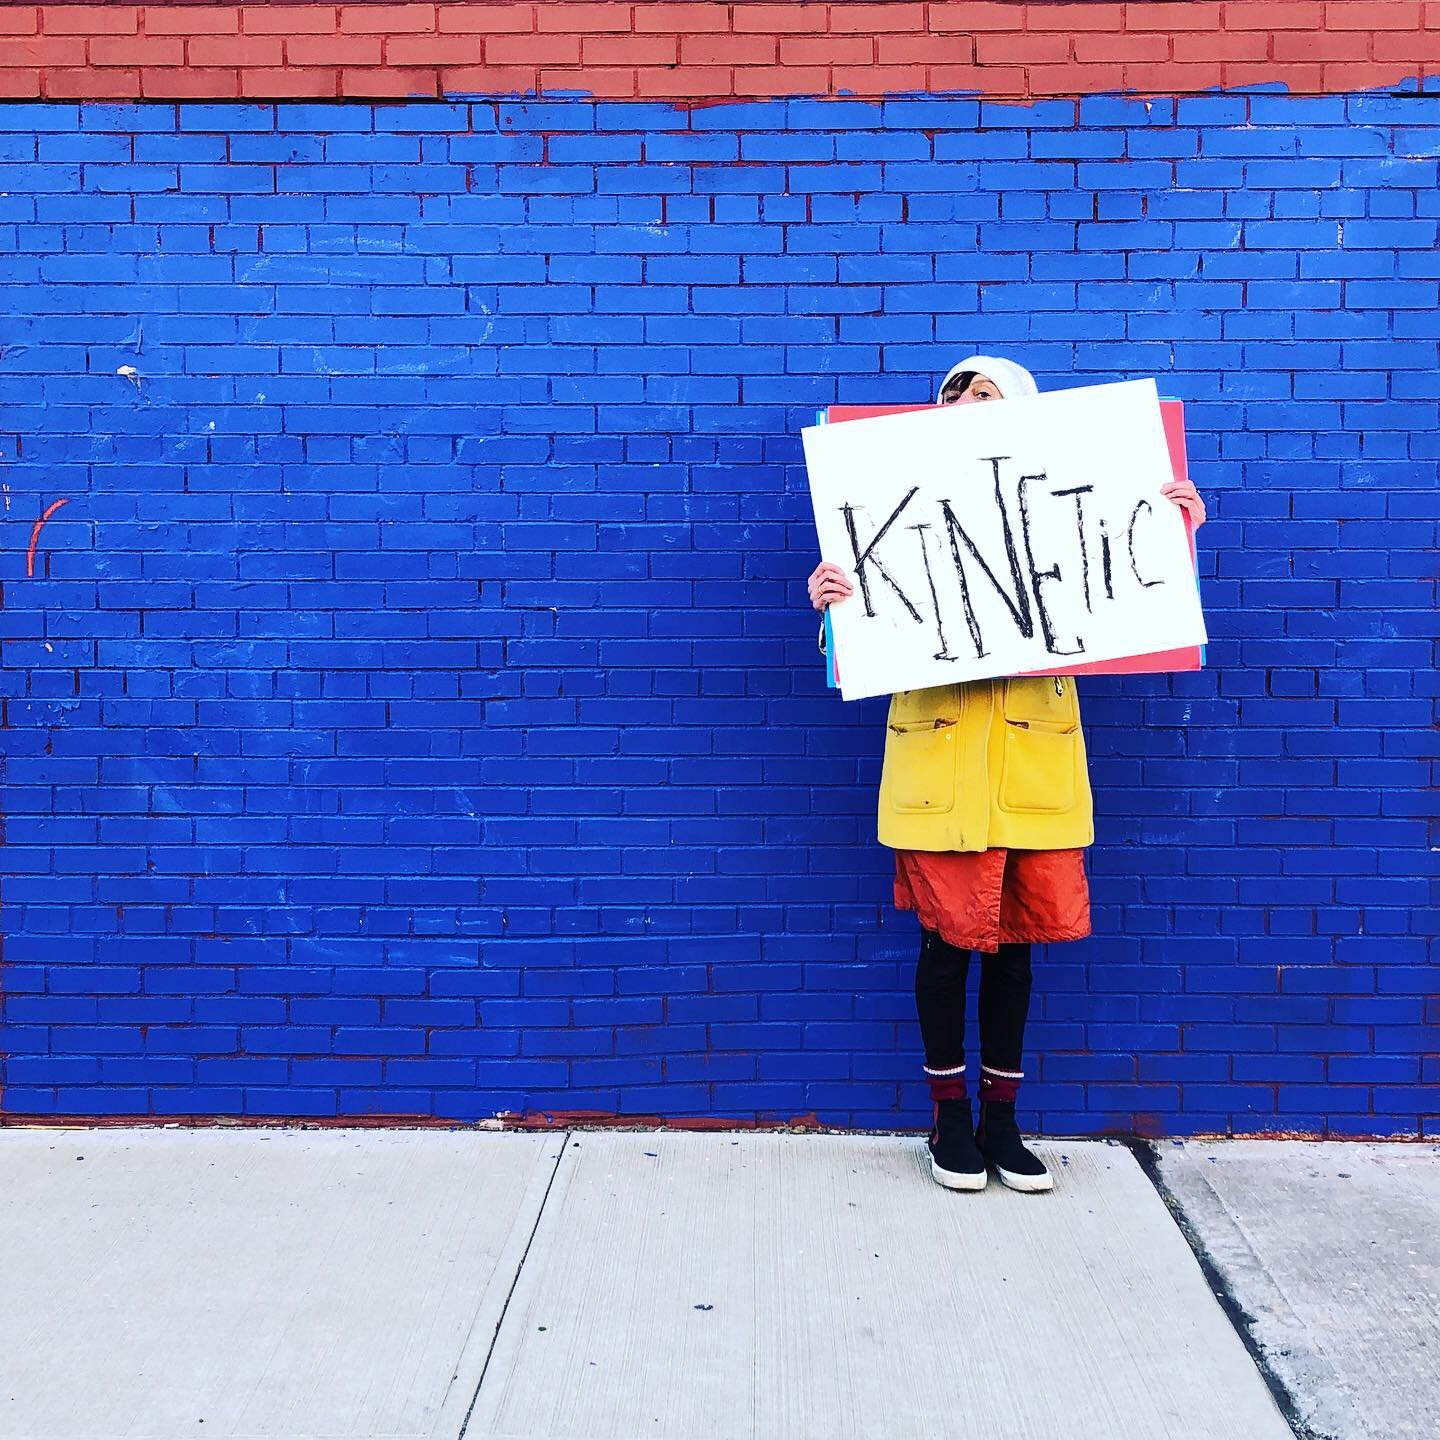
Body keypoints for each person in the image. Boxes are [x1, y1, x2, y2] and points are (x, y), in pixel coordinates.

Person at [809, 356, 1206, 1193]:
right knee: (944, 947)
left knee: (1016, 952)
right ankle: (949, 1120)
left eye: (983, 393)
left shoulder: (1063, 503)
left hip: (1033, 761)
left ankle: (1002, 1122)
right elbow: (861, 650)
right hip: (940, 759)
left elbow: (1127, 603)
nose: (963, 402)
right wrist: (836, 606)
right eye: (953, 393)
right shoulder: (895, 499)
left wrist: (1171, 537)